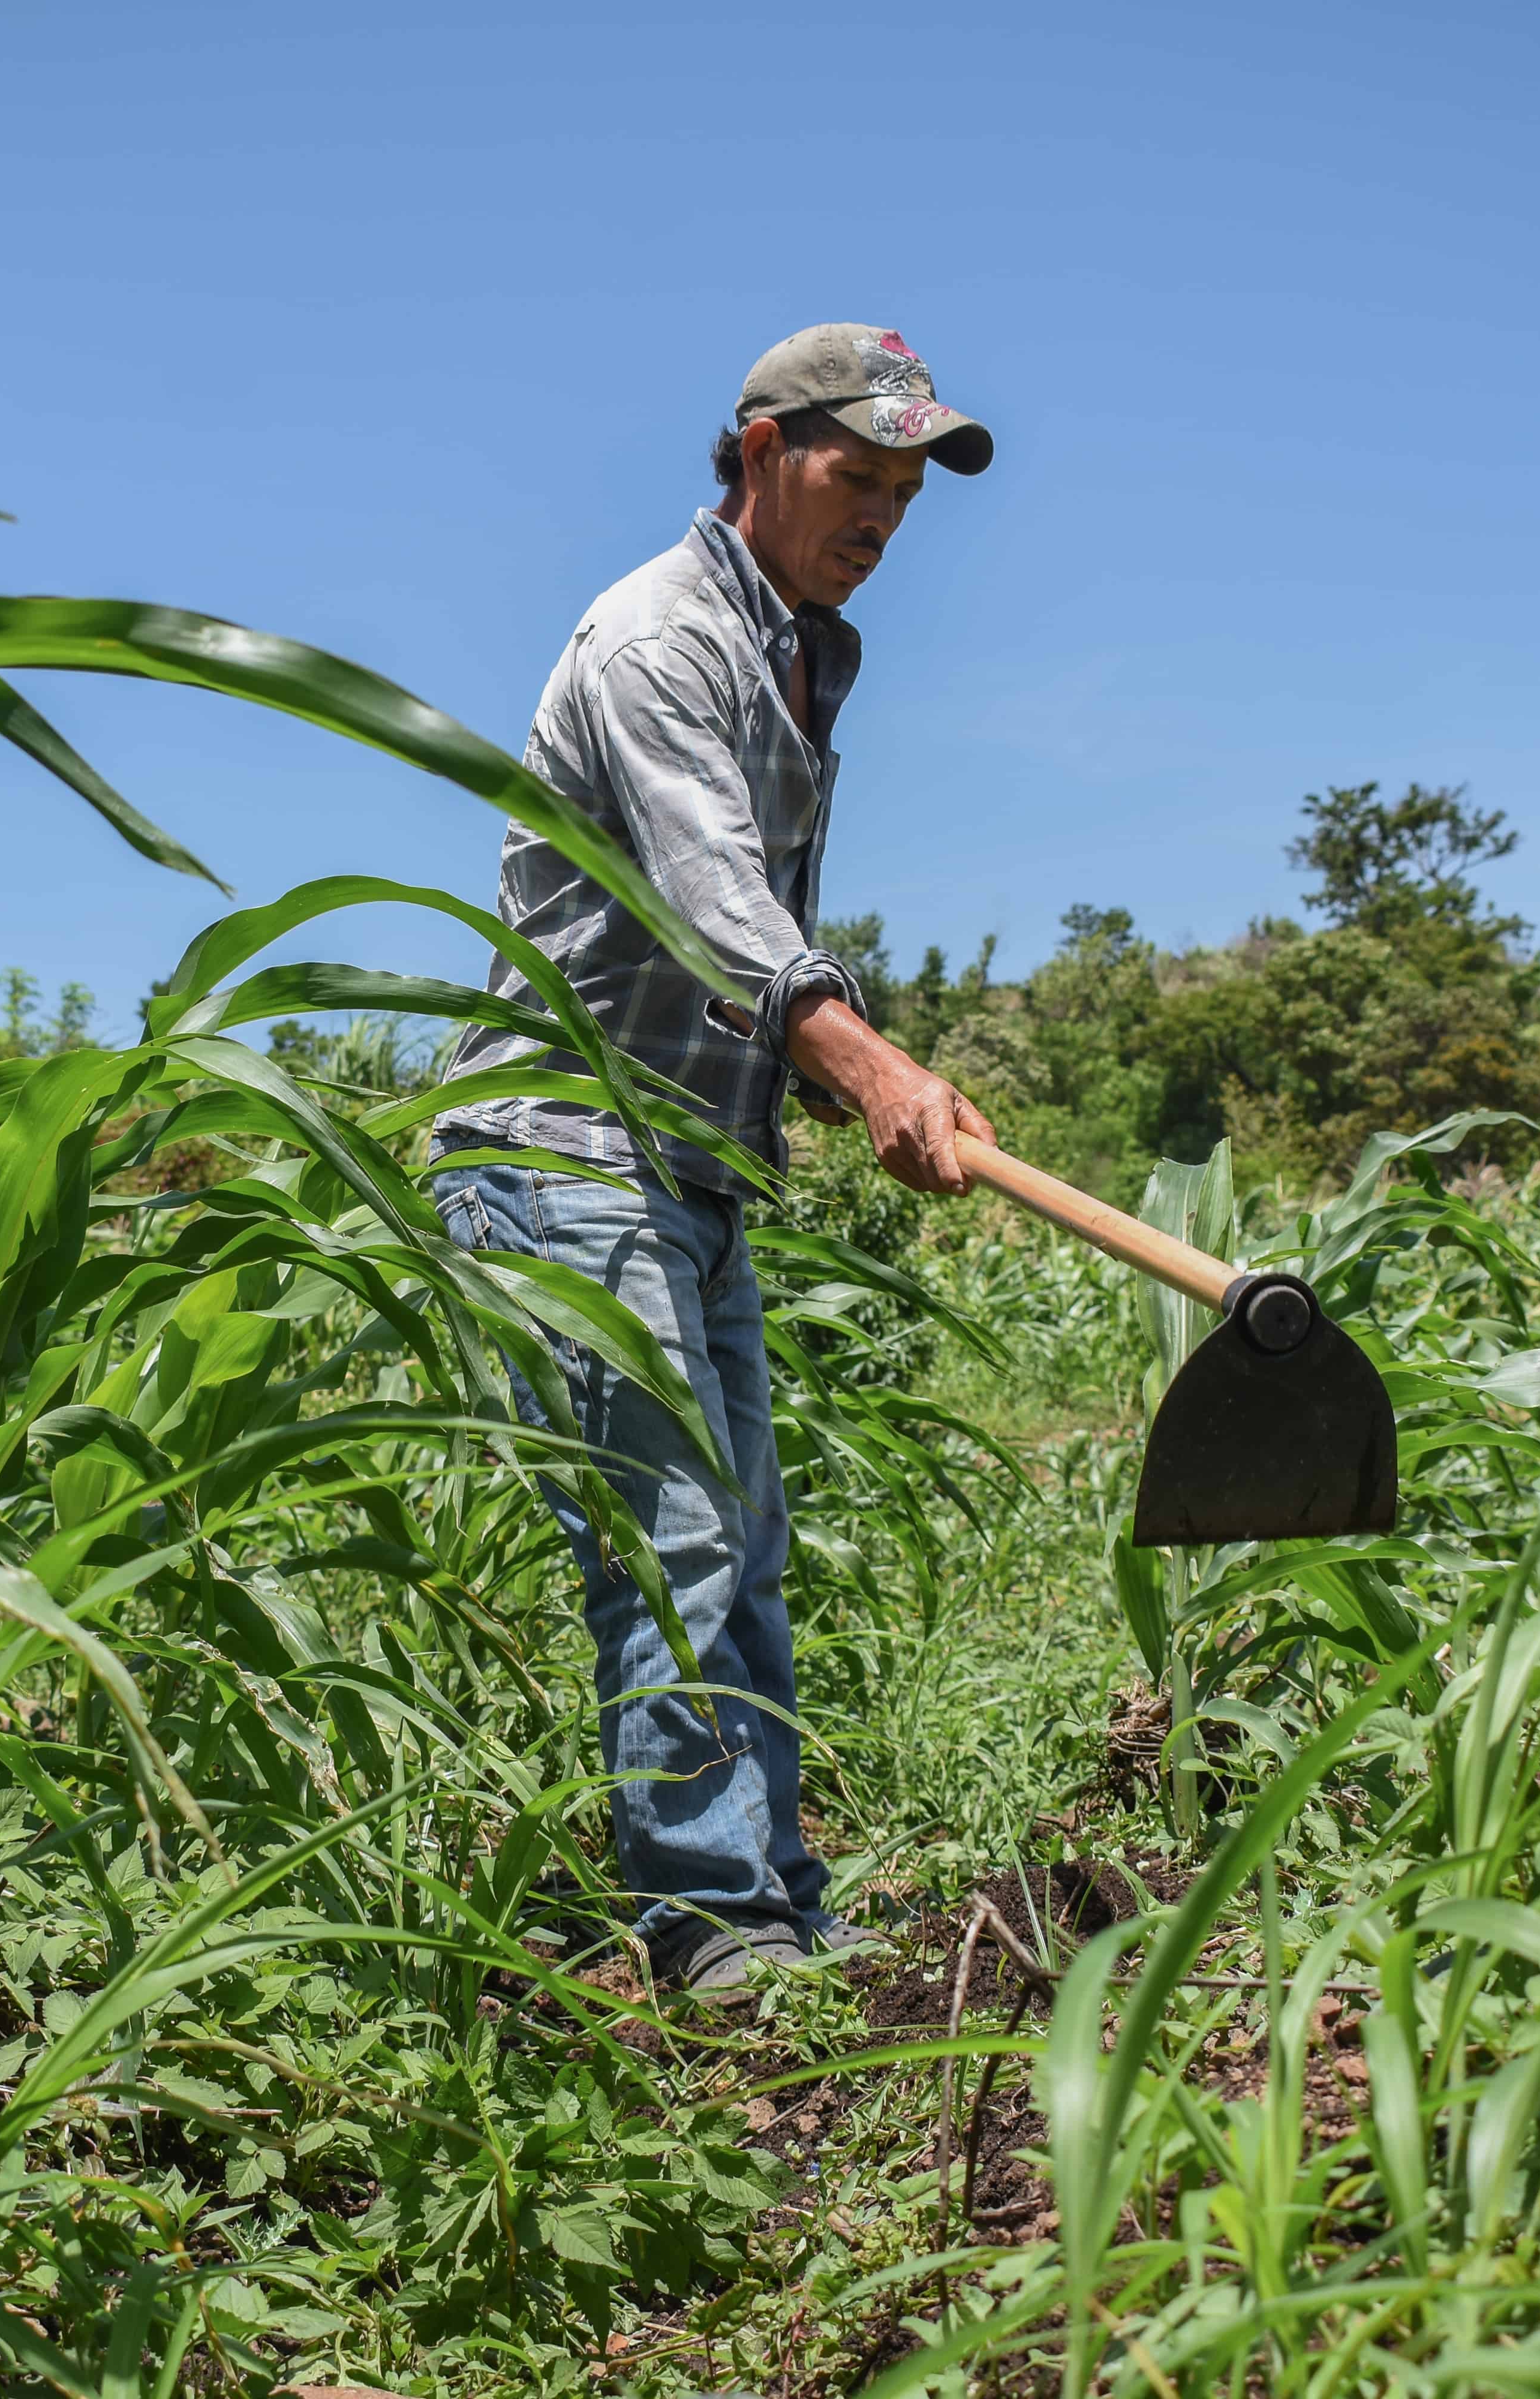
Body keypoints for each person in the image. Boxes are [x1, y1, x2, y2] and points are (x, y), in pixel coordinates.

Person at [429, 324, 1000, 1995]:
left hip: (688, 1154)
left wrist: (825, 1075)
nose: (884, 509)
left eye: (905, 486)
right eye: (855, 471)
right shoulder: (657, 640)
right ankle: (709, 1925)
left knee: (742, 1539)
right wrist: (860, 1049)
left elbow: (744, 934)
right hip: (563, 1142)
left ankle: (775, 1898)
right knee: (675, 1535)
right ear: (756, 453)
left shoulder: (808, 654)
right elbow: (709, 899)